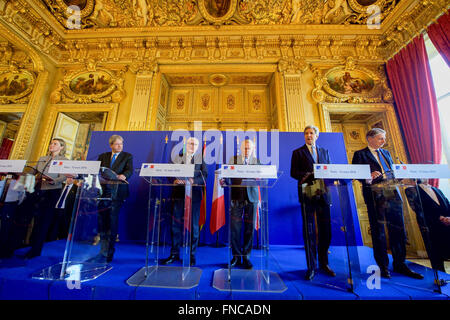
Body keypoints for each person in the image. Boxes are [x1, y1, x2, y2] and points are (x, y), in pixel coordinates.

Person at [352, 128, 423, 279]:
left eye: (384, 139)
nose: (383, 141)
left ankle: (400, 263)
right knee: (379, 233)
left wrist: (402, 177)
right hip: (375, 196)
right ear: (369, 139)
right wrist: (368, 175)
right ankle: (383, 266)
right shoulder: (360, 154)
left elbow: (392, 172)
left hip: (393, 194)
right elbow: (356, 174)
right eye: (380, 138)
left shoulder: (387, 153)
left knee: (398, 230)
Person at [290, 125, 335, 280]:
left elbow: (330, 169)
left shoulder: (325, 152)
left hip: (324, 194)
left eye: (311, 133)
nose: (308, 135)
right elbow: (293, 173)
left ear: (317, 135)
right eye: (306, 133)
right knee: (309, 232)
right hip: (307, 194)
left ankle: (324, 263)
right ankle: (311, 267)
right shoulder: (298, 152)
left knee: (326, 231)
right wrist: (309, 174)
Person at [161, 137, 208, 267]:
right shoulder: (178, 157)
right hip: (179, 193)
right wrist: (174, 180)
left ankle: (192, 256)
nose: (192, 146)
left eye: (195, 144)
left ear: (198, 147)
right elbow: (170, 172)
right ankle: (174, 254)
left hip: (195, 195)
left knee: (194, 227)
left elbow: (204, 175)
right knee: (175, 225)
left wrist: (194, 181)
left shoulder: (200, 159)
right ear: (186, 145)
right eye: (190, 143)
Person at [24, 138, 68, 259]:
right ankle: (30, 245)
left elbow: (63, 176)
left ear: (62, 147)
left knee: (44, 221)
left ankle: (36, 249)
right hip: (38, 191)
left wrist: (54, 181)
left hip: (52, 192)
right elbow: (34, 171)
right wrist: (23, 171)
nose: (51, 145)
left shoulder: (64, 160)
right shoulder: (43, 158)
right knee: (35, 220)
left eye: (55, 144)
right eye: (51, 143)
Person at [96, 135, 133, 263]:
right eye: (117, 144)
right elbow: (98, 171)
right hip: (103, 191)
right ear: (111, 145)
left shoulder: (127, 156)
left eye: (121, 144)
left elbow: (129, 170)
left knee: (112, 220)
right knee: (102, 221)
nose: (120, 146)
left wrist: (123, 175)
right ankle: (102, 250)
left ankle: (109, 253)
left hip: (117, 192)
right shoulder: (103, 156)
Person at [226, 139, 260, 269]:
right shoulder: (233, 159)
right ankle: (236, 256)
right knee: (235, 229)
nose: (247, 150)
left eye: (249, 148)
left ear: (253, 149)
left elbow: (264, 176)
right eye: (244, 148)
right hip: (236, 197)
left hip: (252, 198)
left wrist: (261, 177)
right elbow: (228, 175)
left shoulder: (256, 162)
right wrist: (225, 180)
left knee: (249, 229)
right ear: (241, 149)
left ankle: (246, 256)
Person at [405, 179, 450, 272]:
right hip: (431, 227)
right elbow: (418, 209)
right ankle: (440, 280)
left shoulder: (437, 190)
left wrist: (449, 217)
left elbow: (448, 205)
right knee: (436, 257)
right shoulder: (411, 190)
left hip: (447, 226)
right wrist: (439, 218)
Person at [0, 174, 26, 258]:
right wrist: (17, 204)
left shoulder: (3, 182)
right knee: (6, 228)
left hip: (9, 205)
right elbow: (22, 196)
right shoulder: (18, 184)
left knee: (5, 228)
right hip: (10, 205)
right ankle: (4, 251)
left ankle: (3, 250)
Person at [47, 176, 78, 242]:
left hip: (65, 212)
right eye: (69, 177)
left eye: (72, 178)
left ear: (75, 180)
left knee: (63, 233)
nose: (70, 179)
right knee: (52, 230)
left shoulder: (76, 189)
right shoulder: (60, 186)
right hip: (55, 210)